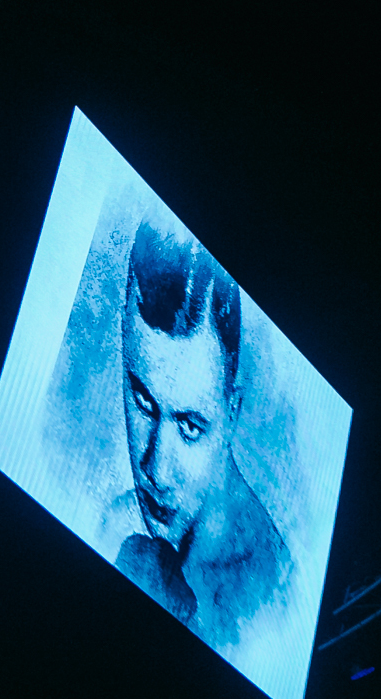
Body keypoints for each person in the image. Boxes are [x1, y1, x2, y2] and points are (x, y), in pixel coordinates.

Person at [109, 222, 288, 646]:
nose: (156, 469)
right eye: (143, 402)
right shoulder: (114, 520)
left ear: (232, 413)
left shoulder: (271, 606)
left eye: (190, 426)